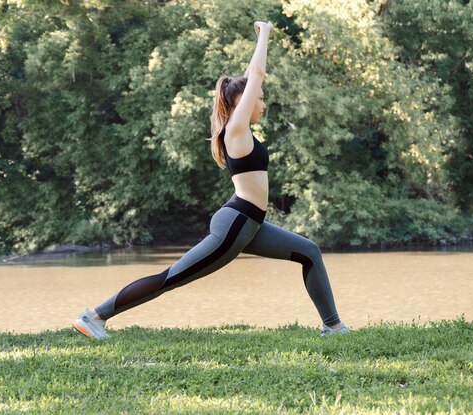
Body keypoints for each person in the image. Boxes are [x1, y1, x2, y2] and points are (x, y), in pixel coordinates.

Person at [73, 21, 350, 339]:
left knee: (309, 252)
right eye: (258, 99)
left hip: (251, 225)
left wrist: (258, 42)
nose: (263, 104)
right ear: (241, 103)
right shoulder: (236, 130)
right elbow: (255, 77)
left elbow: (250, 78)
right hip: (236, 224)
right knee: (171, 277)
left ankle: (334, 326)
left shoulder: (239, 130)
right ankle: (94, 316)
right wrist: (267, 35)